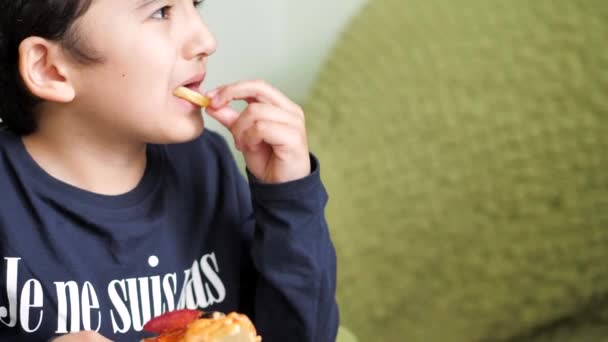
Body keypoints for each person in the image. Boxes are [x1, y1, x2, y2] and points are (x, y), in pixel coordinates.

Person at [0, 0, 339, 341]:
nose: (206, 41)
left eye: (194, 5)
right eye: (160, 11)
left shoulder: (206, 164)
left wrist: (289, 198)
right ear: (50, 69)